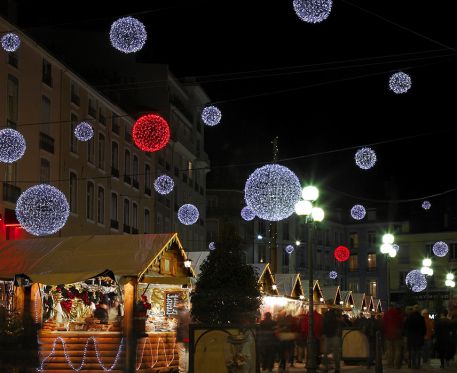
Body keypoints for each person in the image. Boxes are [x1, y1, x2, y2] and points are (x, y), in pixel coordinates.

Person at [321, 304, 343, 373]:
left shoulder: (327, 314)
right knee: (334, 353)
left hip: (329, 335)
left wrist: (323, 333)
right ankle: (336, 368)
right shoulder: (336, 314)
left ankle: (327, 368)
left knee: (326, 353)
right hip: (334, 335)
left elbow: (324, 324)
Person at [404, 304, 426, 369]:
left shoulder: (409, 318)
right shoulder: (421, 318)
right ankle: (418, 364)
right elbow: (424, 329)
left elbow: (405, 327)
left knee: (413, 350)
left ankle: (413, 364)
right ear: (419, 310)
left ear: (413, 310)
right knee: (418, 351)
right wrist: (423, 335)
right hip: (419, 336)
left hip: (411, 337)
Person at [383, 303, 404, 369]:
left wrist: (385, 332)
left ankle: (390, 364)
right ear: (394, 307)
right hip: (397, 335)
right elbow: (401, 323)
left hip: (388, 335)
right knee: (397, 350)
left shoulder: (386, 314)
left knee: (389, 350)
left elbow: (384, 324)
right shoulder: (398, 314)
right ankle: (396, 364)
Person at [176, 301, 190, 373]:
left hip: (181, 337)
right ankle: (187, 369)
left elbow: (178, 326)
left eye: (177, 304)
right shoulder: (188, 312)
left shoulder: (180, 313)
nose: (176, 305)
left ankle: (182, 370)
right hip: (187, 336)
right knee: (187, 353)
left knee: (182, 354)